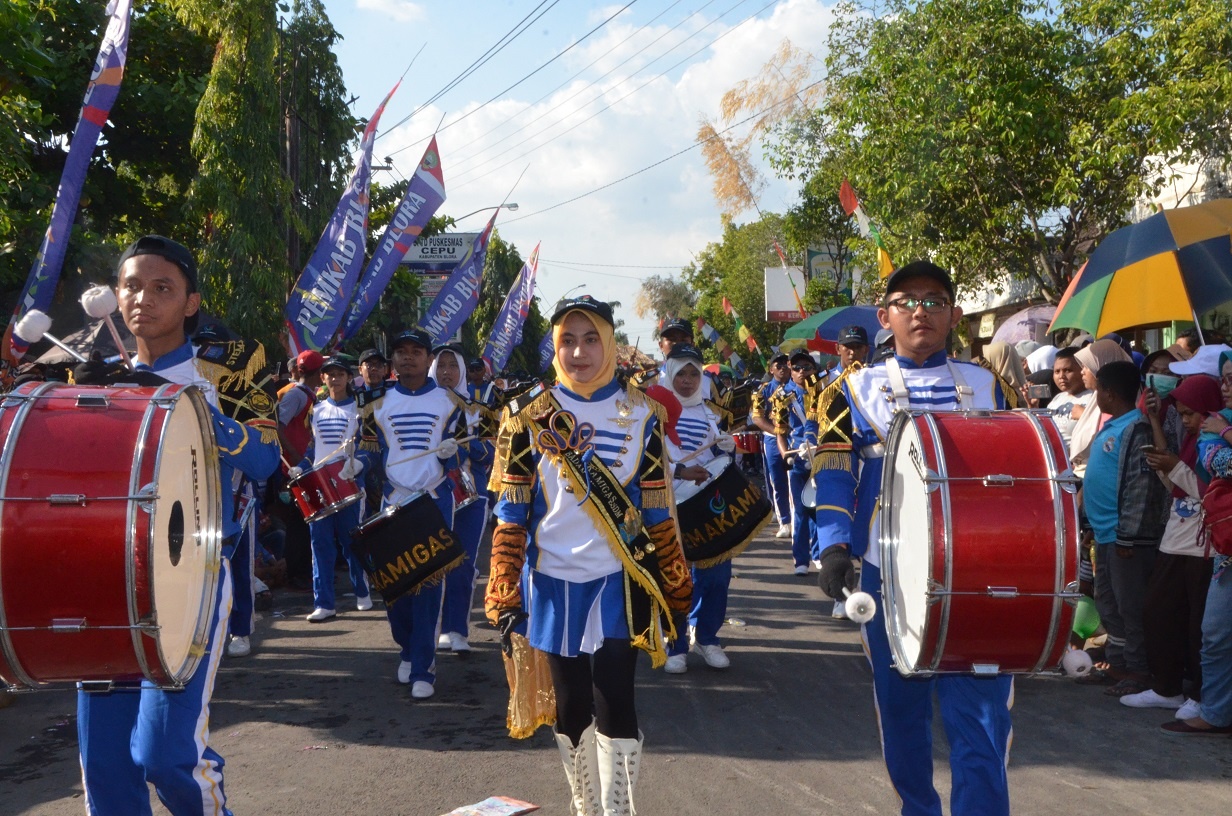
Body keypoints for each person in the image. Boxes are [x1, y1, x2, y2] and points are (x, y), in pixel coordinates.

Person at [76, 235, 280, 816]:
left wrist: (181, 403)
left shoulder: (229, 375)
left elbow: (267, 459)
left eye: (163, 287)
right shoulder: (91, 377)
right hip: (106, 578)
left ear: (191, 302)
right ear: (116, 298)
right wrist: (85, 399)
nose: (144, 298)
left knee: (166, 755)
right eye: (133, 286)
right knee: (107, 767)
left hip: (193, 577)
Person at [810, 261, 1013, 816]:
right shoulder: (851, 389)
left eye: (933, 300)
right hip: (889, 570)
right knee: (902, 710)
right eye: (906, 301)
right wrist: (832, 545)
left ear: (954, 314)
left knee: (983, 715)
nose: (920, 310)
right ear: (885, 316)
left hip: (981, 571)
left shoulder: (990, 384)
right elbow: (832, 472)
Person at [485, 295, 691, 816]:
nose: (579, 351)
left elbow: (657, 510)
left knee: (615, 700)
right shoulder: (526, 417)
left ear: (610, 341)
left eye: (590, 338)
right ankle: (583, 805)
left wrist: (675, 584)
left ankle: (617, 811)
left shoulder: (644, 413)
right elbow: (511, 514)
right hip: (551, 581)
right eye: (567, 340)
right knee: (572, 708)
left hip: (618, 579)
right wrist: (504, 588)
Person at [356, 329, 465, 699]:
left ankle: (424, 668)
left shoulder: (451, 401)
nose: (407, 358)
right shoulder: (376, 400)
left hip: (434, 500)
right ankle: (406, 648)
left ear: (428, 357)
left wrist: (454, 453)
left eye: (416, 352)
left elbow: (468, 451)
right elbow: (371, 449)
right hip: (392, 500)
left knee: (430, 585)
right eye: (400, 352)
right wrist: (358, 461)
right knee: (395, 584)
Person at [1122, 376, 1223, 713]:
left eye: (1190, 413)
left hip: (1204, 545)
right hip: (1177, 537)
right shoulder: (1195, 439)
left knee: (1199, 627)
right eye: (1180, 414)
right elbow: (1177, 486)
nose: (1186, 421)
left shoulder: (1214, 443)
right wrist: (1166, 459)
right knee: (1159, 613)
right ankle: (1166, 687)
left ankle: (1198, 695)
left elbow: (1210, 492)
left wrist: (1174, 467)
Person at [1083, 360, 1170, 698]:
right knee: (1108, 603)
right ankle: (1117, 663)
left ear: (1111, 393)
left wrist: (1127, 534)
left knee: (1131, 607)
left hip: (1125, 537)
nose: (1096, 395)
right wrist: (1091, 523)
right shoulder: (1114, 425)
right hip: (1104, 534)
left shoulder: (1137, 428)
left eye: (1098, 389)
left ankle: (1138, 669)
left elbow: (1139, 486)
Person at [660, 344, 738, 674]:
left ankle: (707, 637)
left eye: (694, 373)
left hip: (708, 505)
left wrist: (726, 451)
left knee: (717, 575)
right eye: (682, 374)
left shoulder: (712, 415)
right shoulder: (654, 412)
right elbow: (645, 461)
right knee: (676, 576)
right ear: (669, 374)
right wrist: (680, 472)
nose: (688, 380)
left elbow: (723, 461)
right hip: (669, 507)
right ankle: (675, 644)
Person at [1169, 350, 1232, 734]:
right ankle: (1217, 714)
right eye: (1223, 378)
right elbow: (1219, 464)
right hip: (1228, 553)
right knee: (1216, 633)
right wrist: (1224, 432)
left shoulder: (1218, 427)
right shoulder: (1214, 424)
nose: (1226, 386)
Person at [287, 356, 372, 622]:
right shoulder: (317, 409)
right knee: (320, 544)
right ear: (322, 378)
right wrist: (301, 466)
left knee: (351, 542)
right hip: (319, 486)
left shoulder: (362, 409)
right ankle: (324, 603)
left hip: (348, 483)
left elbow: (371, 447)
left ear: (349, 377)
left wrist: (358, 464)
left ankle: (363, 592)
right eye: (329, 374)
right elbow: (314, 447)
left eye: (339, 374)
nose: (335, 379)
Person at [429, 343, 492, 653]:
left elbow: (493, 452)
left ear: (463, 371)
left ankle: (458, 630)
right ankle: (435, 627)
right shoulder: (420, 407)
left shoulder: (478, 409)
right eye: (441, 366)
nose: (446, 372)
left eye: (453, 366)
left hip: (471, 495)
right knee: (434, 563)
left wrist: (466, 448)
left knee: (463, 563)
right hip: (432, 495)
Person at [775, 349, 820, 578]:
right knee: (801, 510)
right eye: (797, 368)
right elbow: (780, 432)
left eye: (807, 367)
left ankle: (819, 554)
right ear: (791, 371)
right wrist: (786, 456)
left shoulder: (824, 390)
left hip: (821, 453)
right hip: (797, 455)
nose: (802, 372)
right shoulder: (782, 396)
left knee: (821, 507)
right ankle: (800, 560)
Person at [751, 353, 792, 538]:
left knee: (797, 480)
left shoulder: (798, 386)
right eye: (778, 364)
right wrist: (778, 432)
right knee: (778, 481)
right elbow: (757, 418)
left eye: (785, 363)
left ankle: (799, 520)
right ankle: (784, 521)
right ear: (771, 369)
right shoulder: (764, 390)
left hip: (796, 438)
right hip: (773, 439)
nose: (783, 367)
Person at [277, 348, 323, 465]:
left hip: (307, 459)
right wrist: (294, 454)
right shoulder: (296, 394)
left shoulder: (308, 393)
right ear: (319, 373)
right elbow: (277, 427)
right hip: (294, 464)